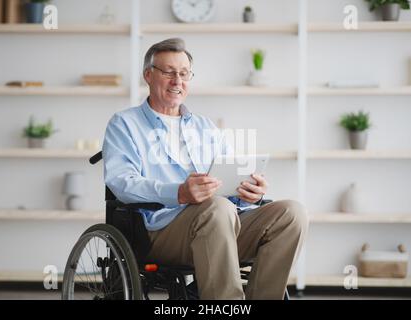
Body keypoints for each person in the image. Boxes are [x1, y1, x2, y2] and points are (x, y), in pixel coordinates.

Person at [102, 38, 309, 300]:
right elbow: (121, 182)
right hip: (160, 231)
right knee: (217, 208)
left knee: (292, 213)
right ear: (148, 75)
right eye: (168, 72)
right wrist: (178, 192)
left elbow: (228, 177)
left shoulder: (205, 127)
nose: (177, 81)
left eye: (184, 73)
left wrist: (249, 192)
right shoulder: (125, 123)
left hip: (222, 225)